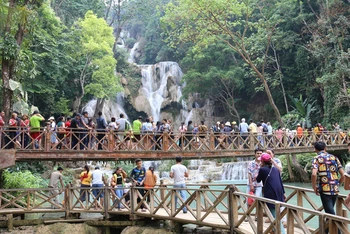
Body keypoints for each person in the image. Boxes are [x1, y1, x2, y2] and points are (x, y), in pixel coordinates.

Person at [311, 141, 344, 234]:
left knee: (330, 213)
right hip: (335, 189)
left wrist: (314, 187)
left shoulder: (316, 158)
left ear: (315, 149)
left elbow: (314, 174)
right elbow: (343, 175)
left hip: (325, 189)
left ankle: (339, 232)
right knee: (329, 212)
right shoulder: (334, 157)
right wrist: (338, 184)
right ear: (325, 148)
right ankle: (325, 231)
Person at [256, 153, 286, 234]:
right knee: (275, 213)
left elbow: (258, 180)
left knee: (274, 215)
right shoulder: (275, 169)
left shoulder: (262, 170)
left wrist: (259, 169)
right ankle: (274, 230)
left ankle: (282, 232)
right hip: (279, 192)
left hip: (270, 193)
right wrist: (283, 193)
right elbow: (280, 181)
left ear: (262, 161)